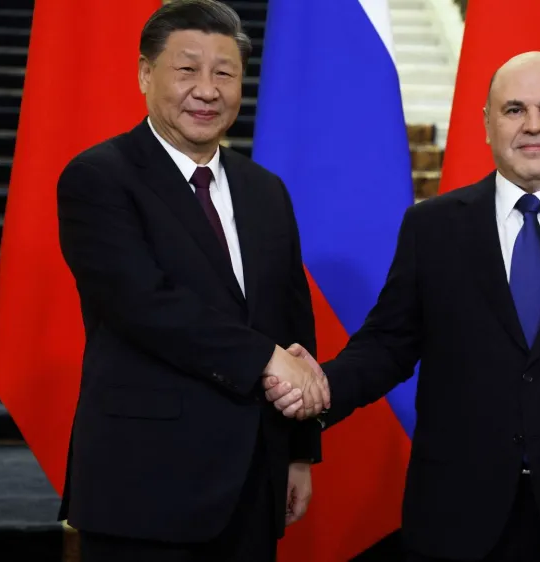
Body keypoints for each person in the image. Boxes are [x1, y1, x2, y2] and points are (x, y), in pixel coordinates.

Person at [265, 52, 540, 562]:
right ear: (487, 123)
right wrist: (319, 386)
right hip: (456, 518)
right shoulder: (432, 228)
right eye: (514, 109)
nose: (534, 125)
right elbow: (387, 347)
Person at [54, 1, 330, 560]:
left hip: (252, 479)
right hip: (143, 484)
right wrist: (265, 359)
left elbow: (291, 321)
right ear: (144, 74)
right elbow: (143, 304)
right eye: (187, 70)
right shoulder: (98, 178)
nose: (207, 90)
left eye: (224, 73)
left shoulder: (265, 190)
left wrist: (298, 451)